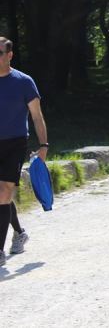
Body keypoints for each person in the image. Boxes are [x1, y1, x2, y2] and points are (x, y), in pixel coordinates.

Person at [0, 37, 48, 266]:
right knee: (1, 195)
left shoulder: (24, 82)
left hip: (15, 143)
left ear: (10, 55)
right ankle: (19, 233)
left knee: (3, 192)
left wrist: (44, 146)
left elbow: (37, 117)